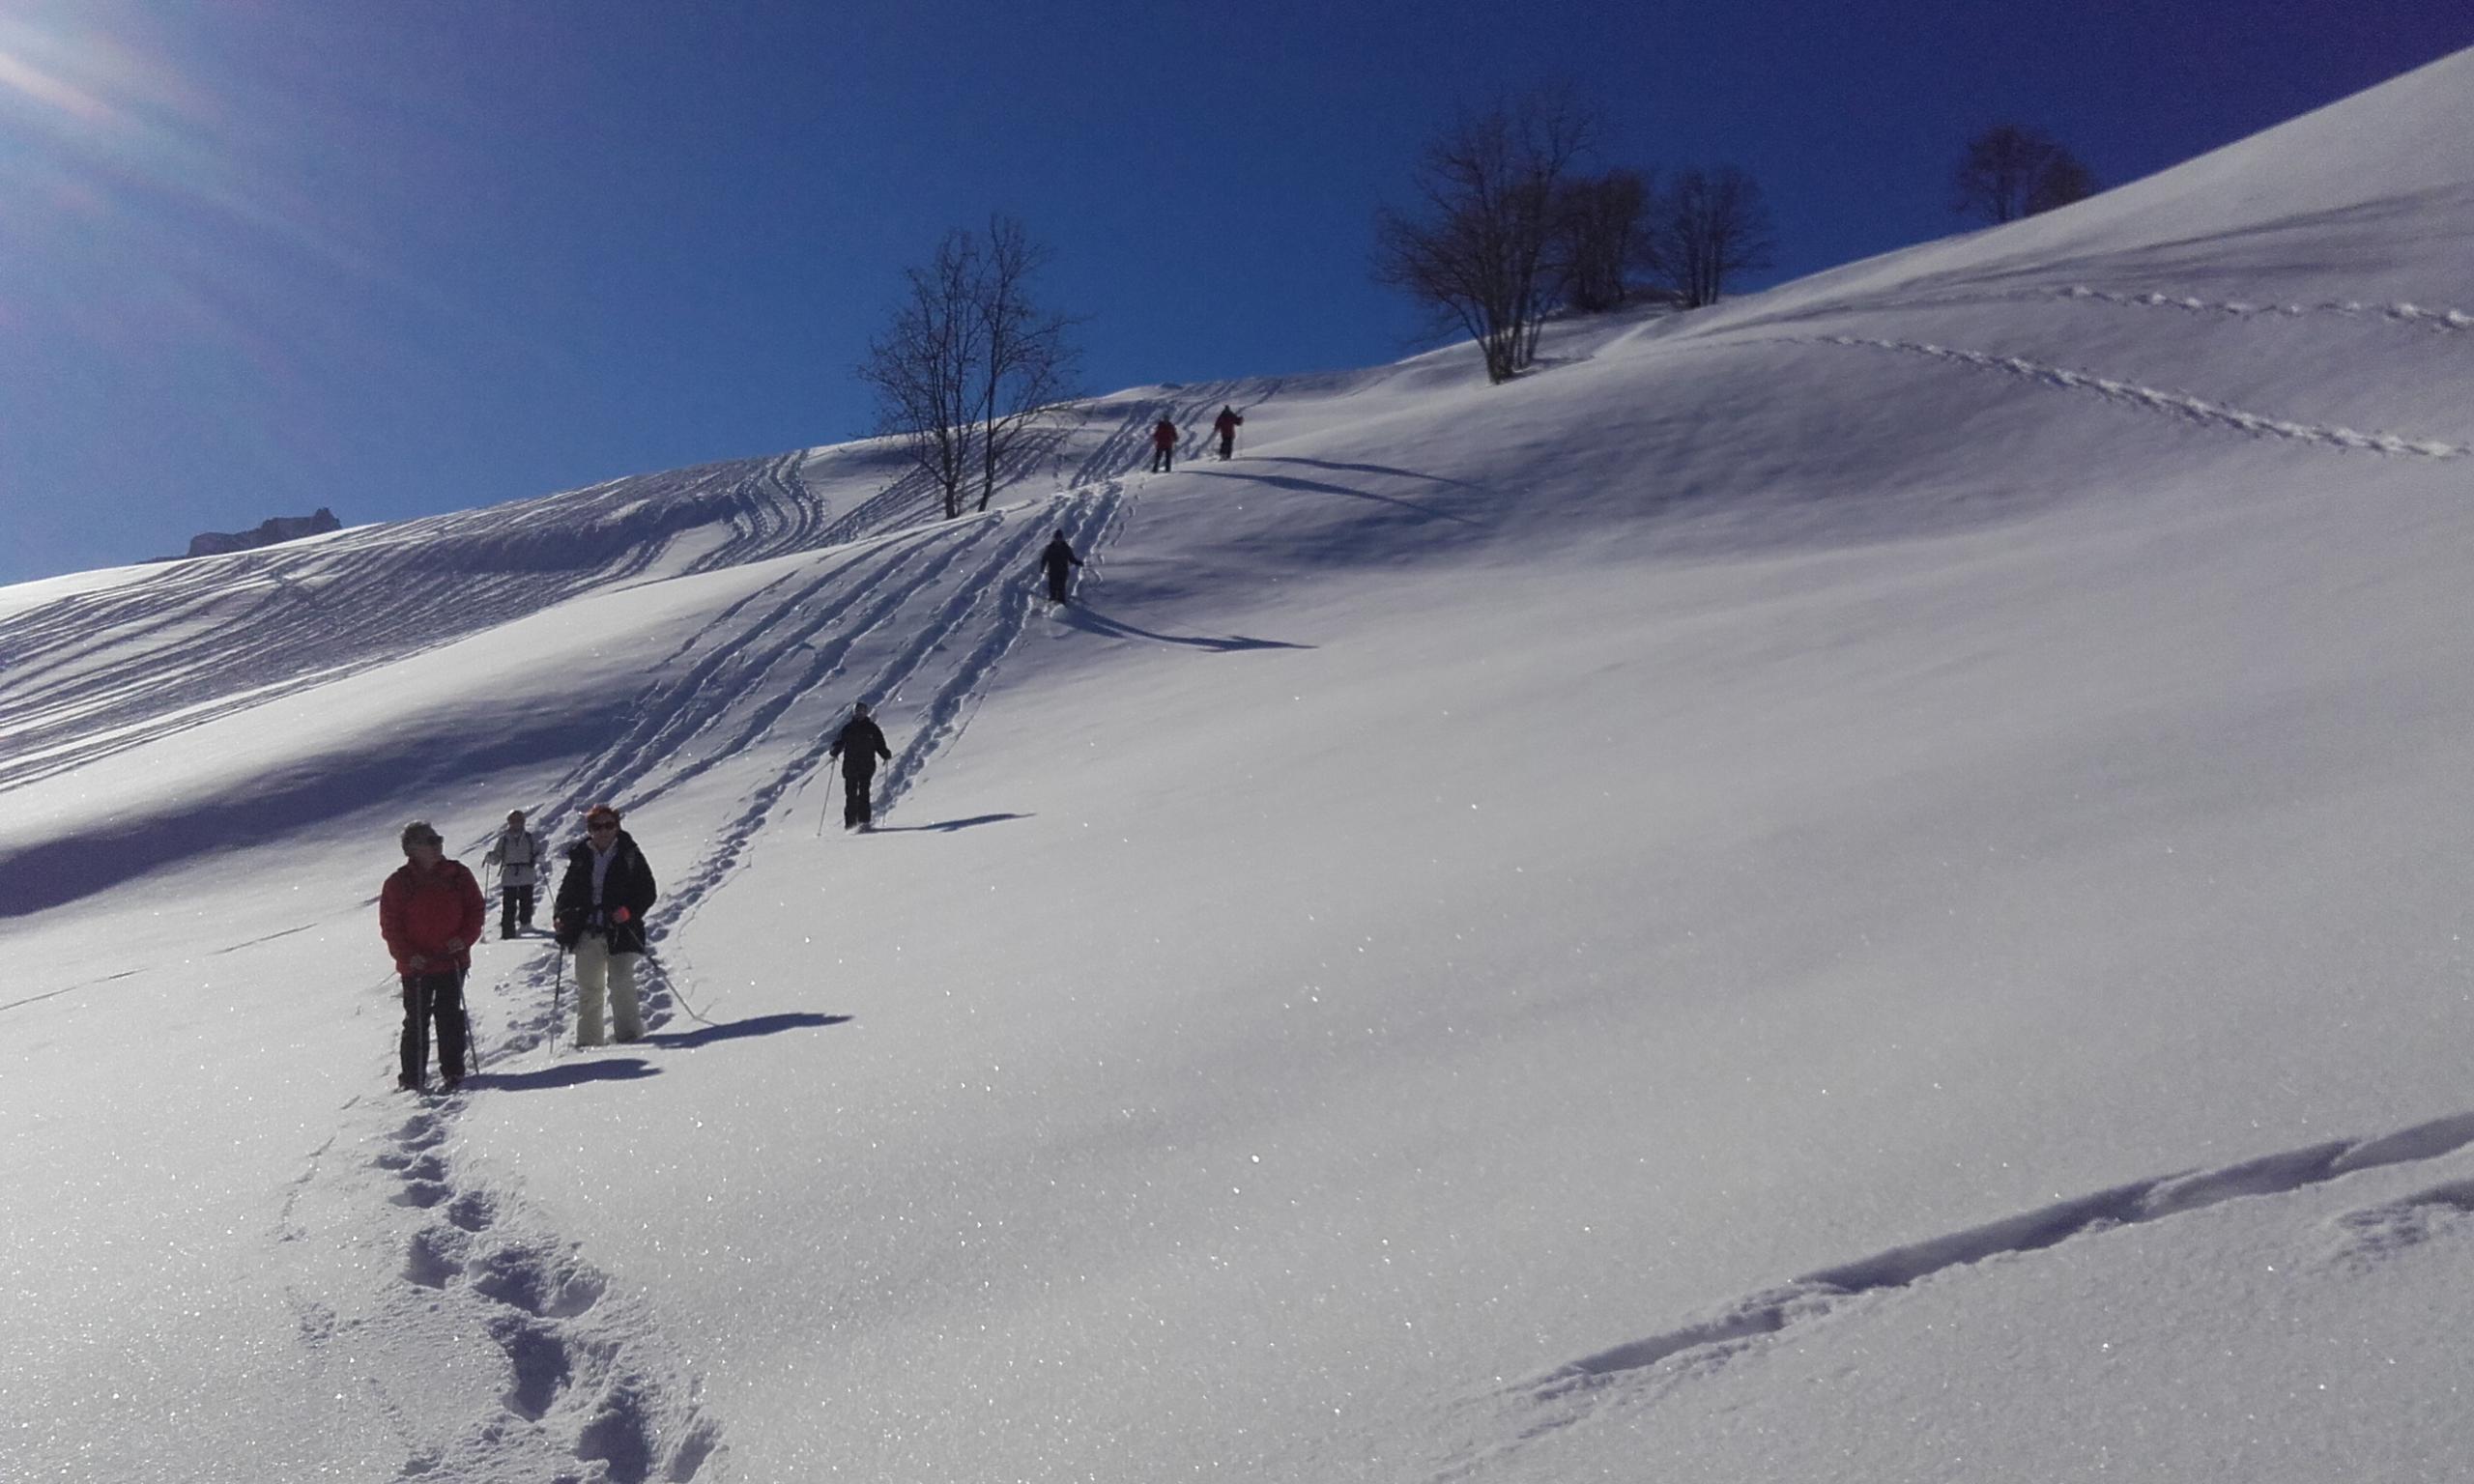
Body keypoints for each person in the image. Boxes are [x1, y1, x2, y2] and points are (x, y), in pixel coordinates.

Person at [379, 819, 485, 1092]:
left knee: (449, 1016)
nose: (438, 844)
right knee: (415, 1021)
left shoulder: (457, 874)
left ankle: (453, 1072)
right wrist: (406, 955)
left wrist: (462, 941)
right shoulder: (398, 883)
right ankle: (412, 1079)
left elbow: (475, 911)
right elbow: (391, 926)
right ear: (412, 849)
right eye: (431, 840)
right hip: (417, 966)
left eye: (438, 839)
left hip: (451, 961)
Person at [551, 804, 658, 1046]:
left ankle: (630, 1038)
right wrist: (560, 916)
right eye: (597, 826)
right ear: (589, 829)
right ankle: (589, 1043)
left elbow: (647, 891)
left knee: (621, 982)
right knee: (589, 989)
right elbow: (566, 892)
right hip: (586, 929)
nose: (603, 831)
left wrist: (629, 911)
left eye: (609, 825)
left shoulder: (630, 853)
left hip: (622, 929)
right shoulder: (581, 855)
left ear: (617, 826)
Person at [480, 808, 548, 940]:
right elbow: (497, 857)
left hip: (525, 873)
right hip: (511, 874)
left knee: (526, 902)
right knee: (509, 905)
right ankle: (508, 932)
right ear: (509, 822)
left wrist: (539, 857)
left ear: (523, 822)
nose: (516, 823)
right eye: (513, 821)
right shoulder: (504, 839)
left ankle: (525, 926)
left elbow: (538, 852)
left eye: (519, 820)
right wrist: (491, 857)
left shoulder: (529, 838)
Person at [826, 701, 894, 831]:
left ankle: (864, 822)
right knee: (850, 796)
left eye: (862, 711)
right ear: (854, 713)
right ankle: (850, 824)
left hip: (866, 766)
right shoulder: (848, 728)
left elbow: (879, 744)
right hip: (850, 766)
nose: (860, 714)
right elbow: (840, 742)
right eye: (857, 711)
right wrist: (835, 751)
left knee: (864, 794)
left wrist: (885, 754)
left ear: (866, 712)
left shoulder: (872, 728)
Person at [1040, 530, 1082, 604]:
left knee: (1061, 587)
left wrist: (1077, 562)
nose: (1058, 540)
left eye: (1059, 538)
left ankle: (1061, 602)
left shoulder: (1066, 548)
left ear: (1062, 538)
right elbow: (1044, 558)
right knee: (1052, 587)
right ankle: (1052, 601)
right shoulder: (1050, 548)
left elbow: (1071, 558)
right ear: (1054, 538)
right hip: (1052, 570)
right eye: (1056, 538)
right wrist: (1042, 567)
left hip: (1063, 571)